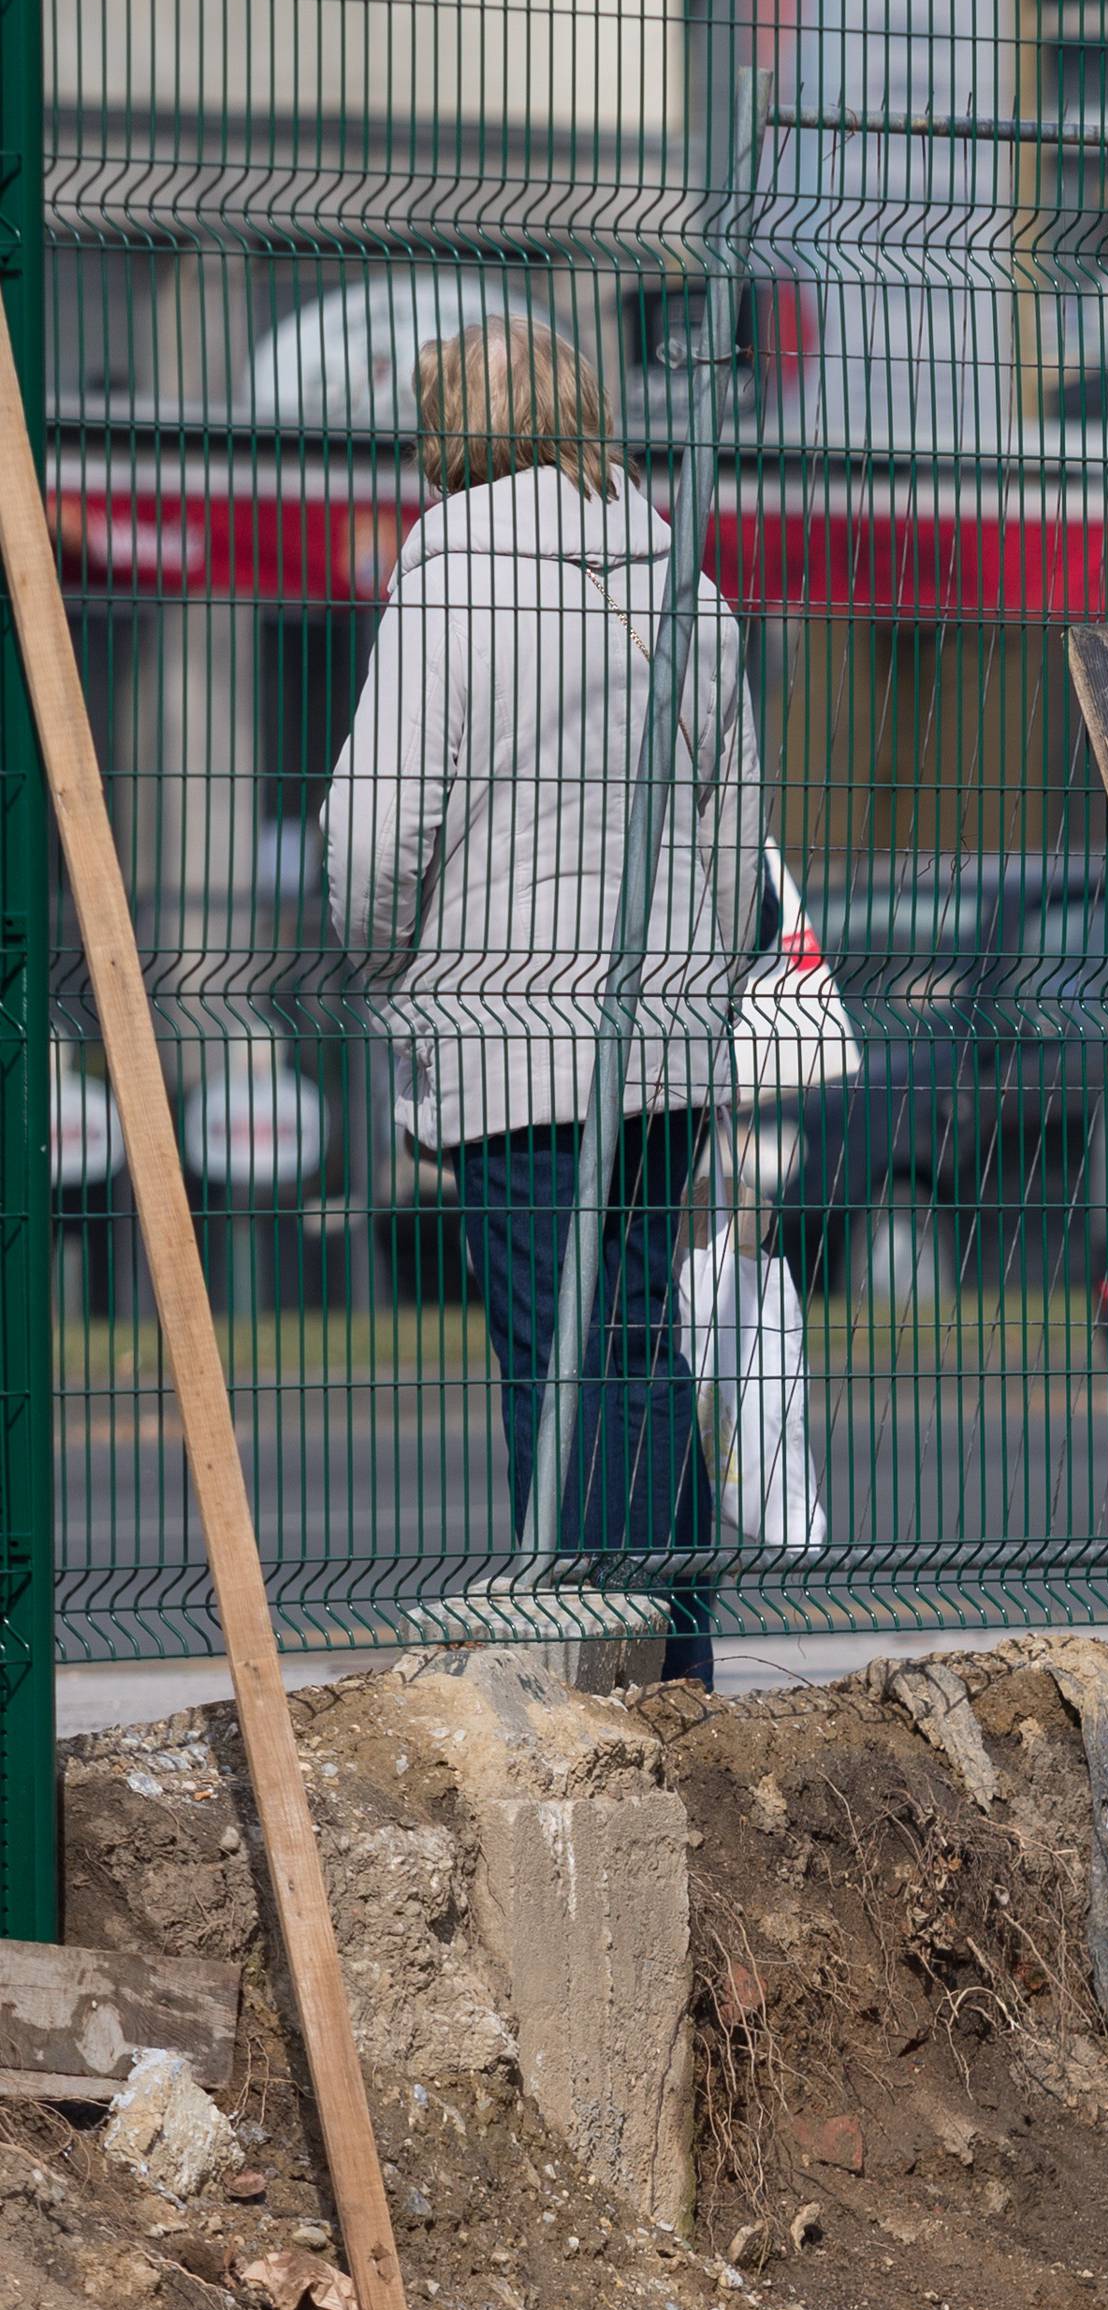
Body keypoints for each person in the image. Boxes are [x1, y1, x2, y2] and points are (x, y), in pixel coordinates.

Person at [321, 316, 763, 1683]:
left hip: (513, 1043)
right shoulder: (681, 583)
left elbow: (374, 838)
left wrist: (391, 966)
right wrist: (694, 979)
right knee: (639, 1338)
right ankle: (678, 1657)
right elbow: (733, 838)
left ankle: (596, 1664)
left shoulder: (448, 587)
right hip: (665, 1044)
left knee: (554, 1357)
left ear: (445, 431)